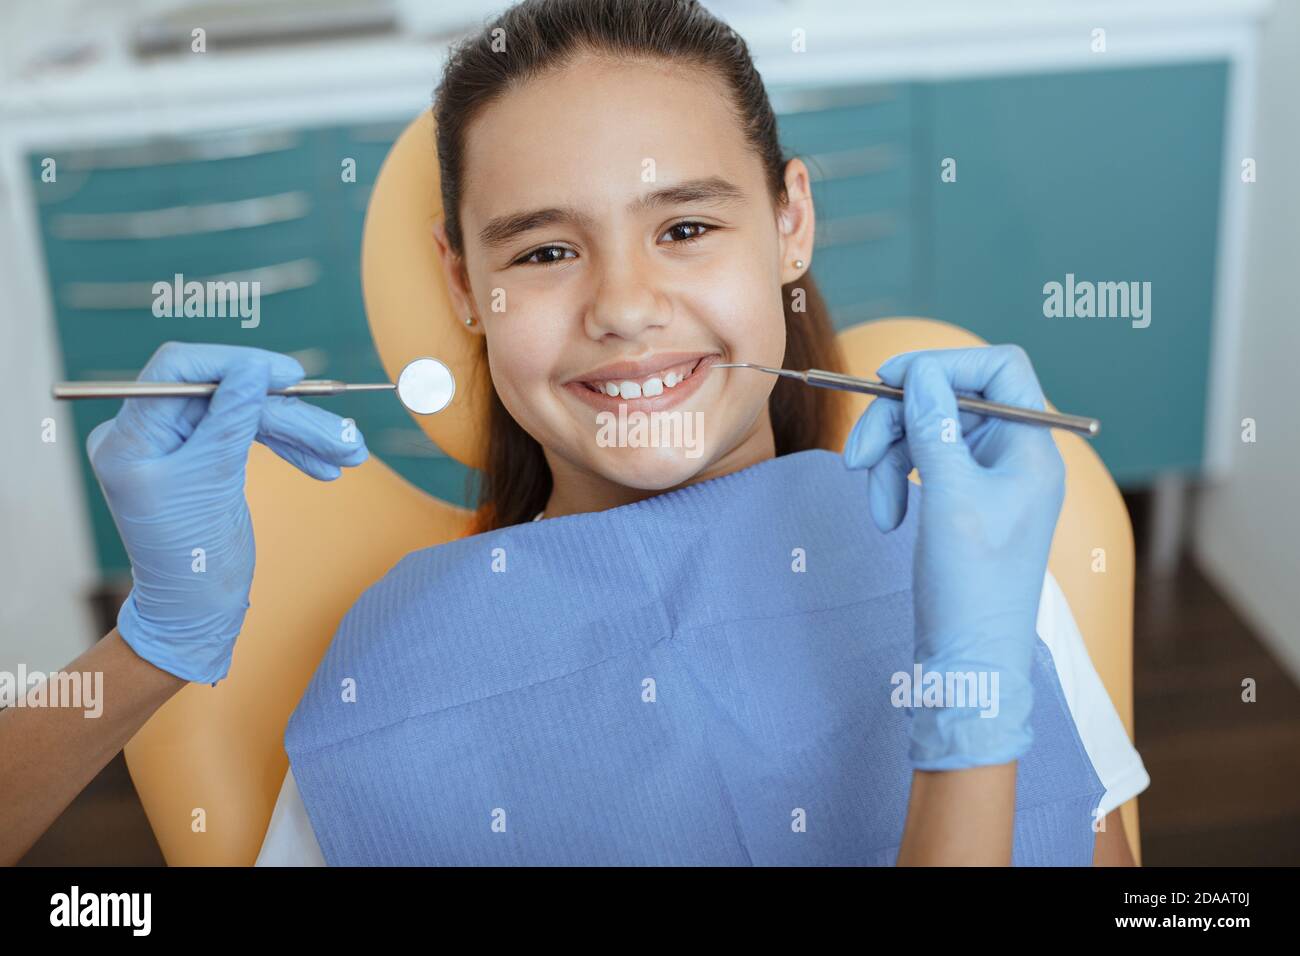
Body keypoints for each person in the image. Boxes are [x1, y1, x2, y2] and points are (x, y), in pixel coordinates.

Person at [0, 0, 1147, 867]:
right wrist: (155, 641)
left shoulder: (977, 559)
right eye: (544, 251)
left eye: (686, 225)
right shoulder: (386, 676)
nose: (622, 306)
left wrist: (975, 690)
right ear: (462, 281)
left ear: (789, 222)